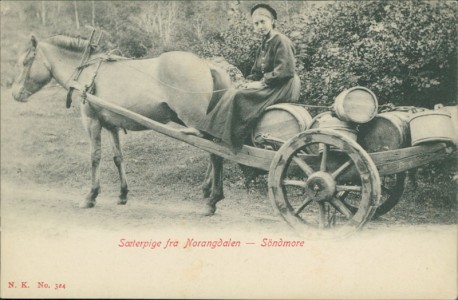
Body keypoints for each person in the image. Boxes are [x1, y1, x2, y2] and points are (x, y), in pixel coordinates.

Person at [182, 3, 301, 152]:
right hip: (272, 84)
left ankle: (228, 138)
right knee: (231, 92)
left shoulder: (281, 40)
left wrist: (262, 83)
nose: (260, 26)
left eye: (263, 22)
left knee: (239, 96)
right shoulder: (263, 45)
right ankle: (206, 131)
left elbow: (285, 71)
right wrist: (246, 82)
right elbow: (257, 71)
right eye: (256, 24)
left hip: (283, 86)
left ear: (273, 22)